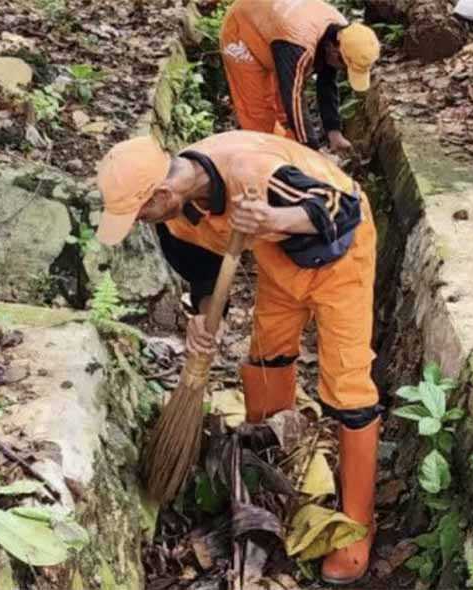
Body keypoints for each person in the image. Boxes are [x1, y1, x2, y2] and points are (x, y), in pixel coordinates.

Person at [95, 131, 380, 585]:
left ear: (162, 193)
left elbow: (338, 209)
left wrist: (274, 215)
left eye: (138, 211)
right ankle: (273, 468)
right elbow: (205, 276)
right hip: (279, 264)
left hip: (339, 258)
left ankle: (357, 524)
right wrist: (206, 323)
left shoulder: (253, 172)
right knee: (268, 358)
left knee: (347, 386)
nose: (137, 222)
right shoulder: (173, 217)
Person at [219, 0, 380, 153]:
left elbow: (326, 82)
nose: (343, 70)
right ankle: (269, 164)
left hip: (274, 31)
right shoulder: (298, 45)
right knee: (259, 116)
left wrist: (334, 132)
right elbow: (293, 97)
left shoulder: (342, 34)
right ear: (333, 49)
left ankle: (291, 158)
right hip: (242, 29)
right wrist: (314, 152)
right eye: (344, 65)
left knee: (284, 113)